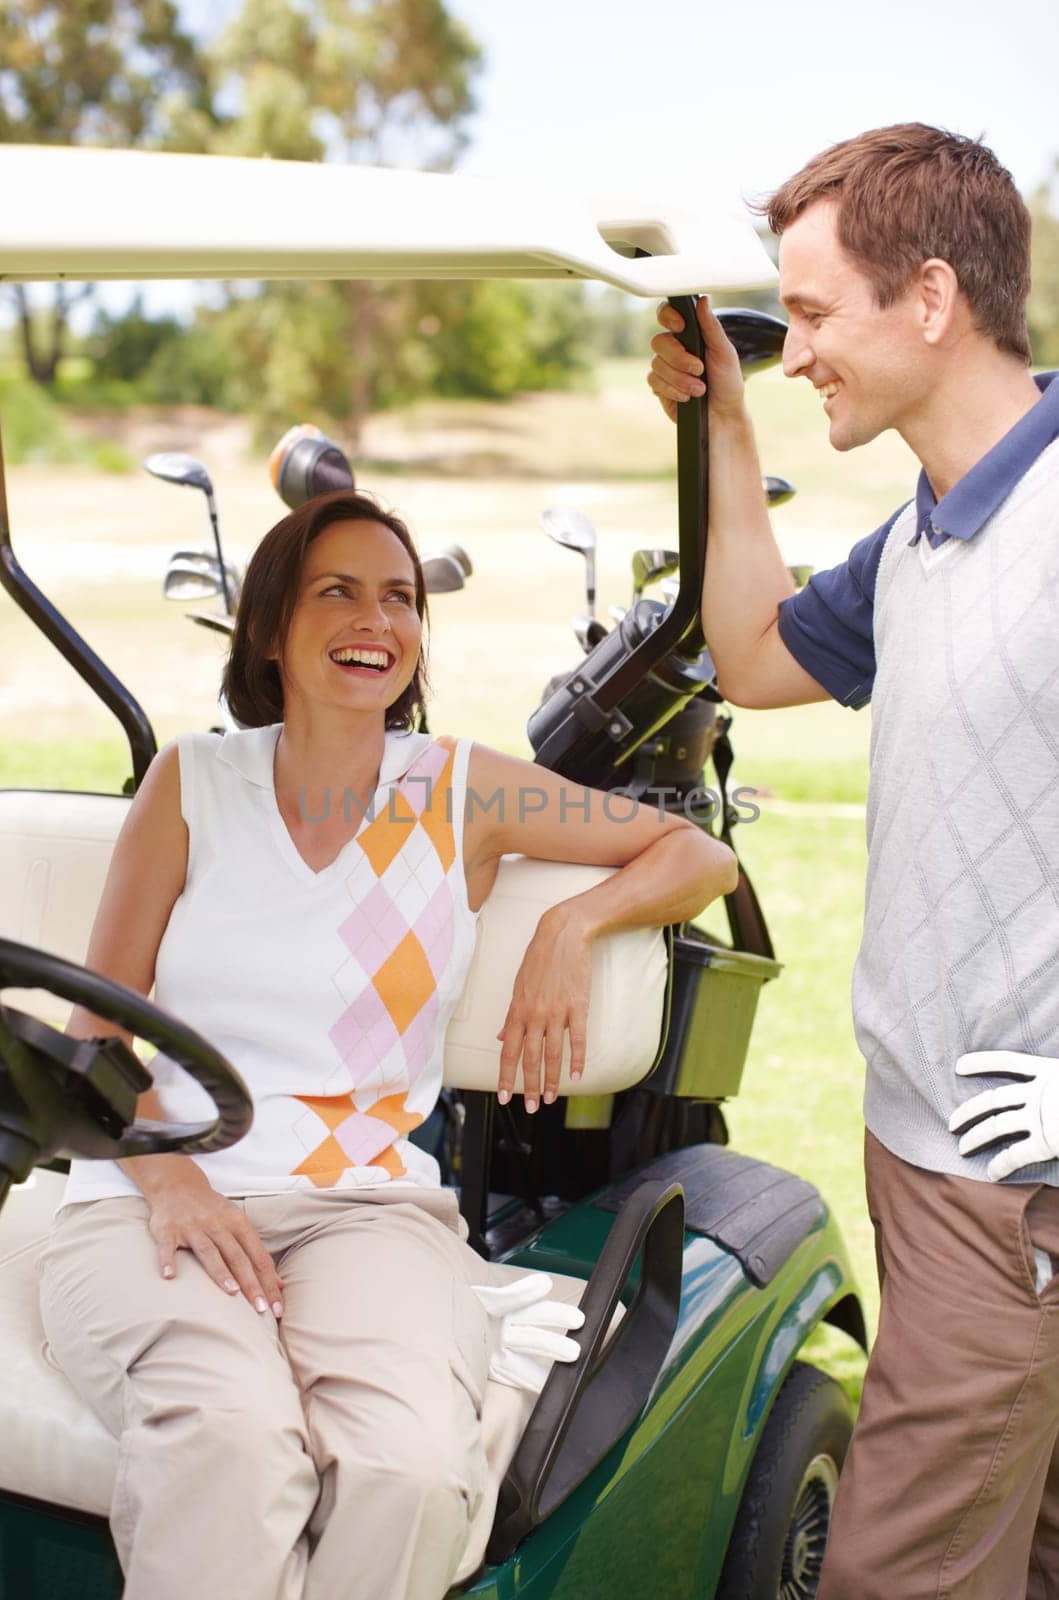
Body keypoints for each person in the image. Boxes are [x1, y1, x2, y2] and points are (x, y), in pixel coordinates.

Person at [37, 489, 736, 1600]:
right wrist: (170, 1182)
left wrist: (571, 921)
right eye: (337, 591)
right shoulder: (192, 783)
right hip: (155, 1198)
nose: (377, 619)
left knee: (409, 1469)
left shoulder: (457, 790)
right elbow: (94, 1029)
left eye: (400, 598)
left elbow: (697, 855)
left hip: (365, 1209)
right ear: (270, 628)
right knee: (231, 1438)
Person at [648, 122, 1059, 1600]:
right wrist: (725, 427)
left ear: (931, 299)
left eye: (812, 314)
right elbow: (752, 656)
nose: (797, 347)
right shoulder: (924, 537)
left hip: (1005, 1187)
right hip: (923, 1151)